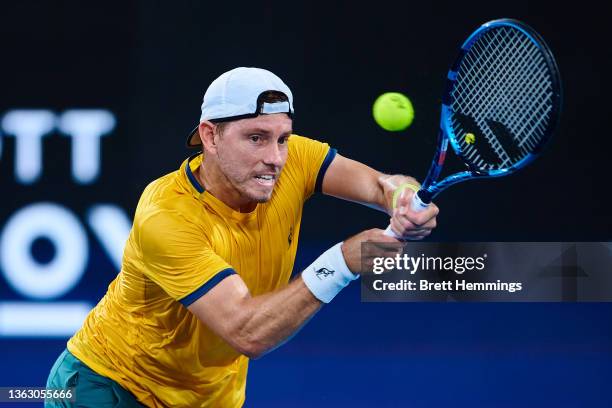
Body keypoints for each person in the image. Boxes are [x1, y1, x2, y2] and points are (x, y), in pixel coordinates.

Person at [45, 67, 439, 407]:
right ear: (210, 137)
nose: (276, 157)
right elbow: (246, 331)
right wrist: (343, 262)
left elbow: (379, 184)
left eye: (282, 138)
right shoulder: (166, 217)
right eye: (256, 138)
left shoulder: (294, 160)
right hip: (109, 386)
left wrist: (401, 197)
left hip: (208, 397)